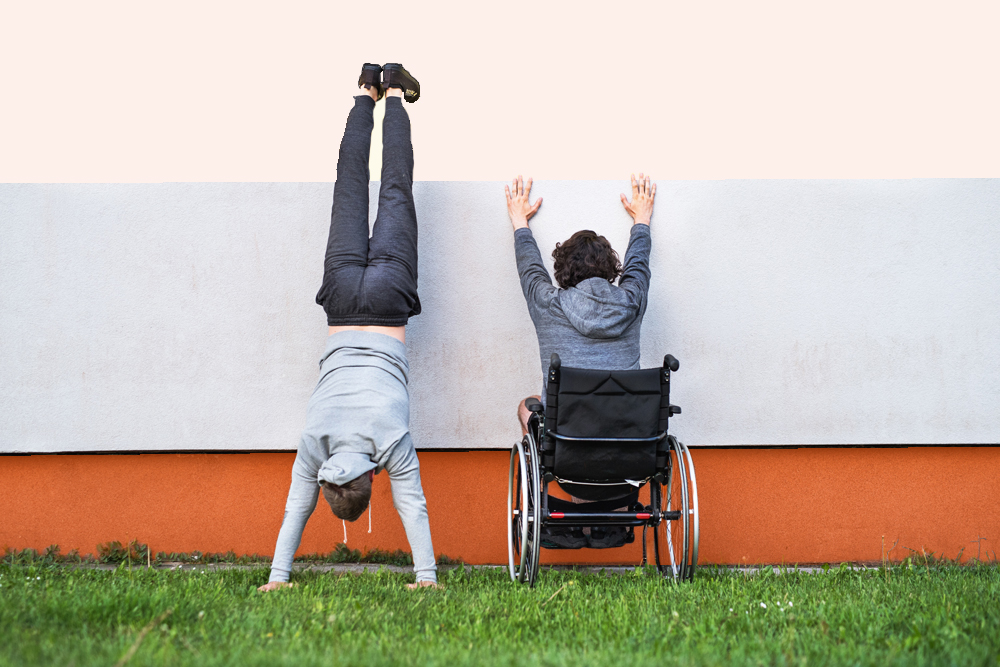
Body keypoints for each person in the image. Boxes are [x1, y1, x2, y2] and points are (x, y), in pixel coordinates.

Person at [258, 63, 435, 592]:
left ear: (370, 478)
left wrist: (426, 577)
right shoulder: (314, 442)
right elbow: (296, 505)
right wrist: (276, 577)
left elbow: (414, 507)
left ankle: (397, 94)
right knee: (349, 190)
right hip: (340, 302)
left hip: (386, 305)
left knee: (396, 191)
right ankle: (365, 93)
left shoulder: (391, 442)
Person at [504, 173, 656, 548]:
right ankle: (615, 517)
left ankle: (556, 509)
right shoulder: (632, 302)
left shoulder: (548, 304)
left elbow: (529, 270)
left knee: (528, 407)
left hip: (566, 461)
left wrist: (520, 223)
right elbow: (639, 266)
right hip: (628, 459)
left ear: (563, 273)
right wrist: (641, 221)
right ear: (611, 271)